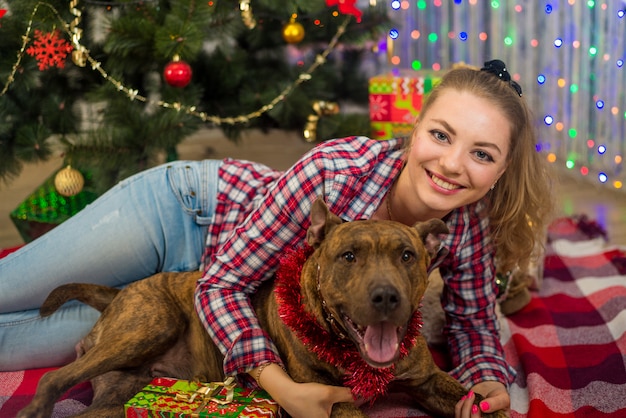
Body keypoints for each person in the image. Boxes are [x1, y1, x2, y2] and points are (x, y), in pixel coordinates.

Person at [0, 60, 553, 418]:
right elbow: (221, 284)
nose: (453, 164)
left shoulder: (466, 226)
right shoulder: (336, 172)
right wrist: (281, 386)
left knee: (27, 342)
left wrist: (485, 381)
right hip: (184, 216)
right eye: (441, 135)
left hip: (190, 310)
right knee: (8, 288)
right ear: (413, 131)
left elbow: (476, 319)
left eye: (482, 154)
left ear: (501, 169)